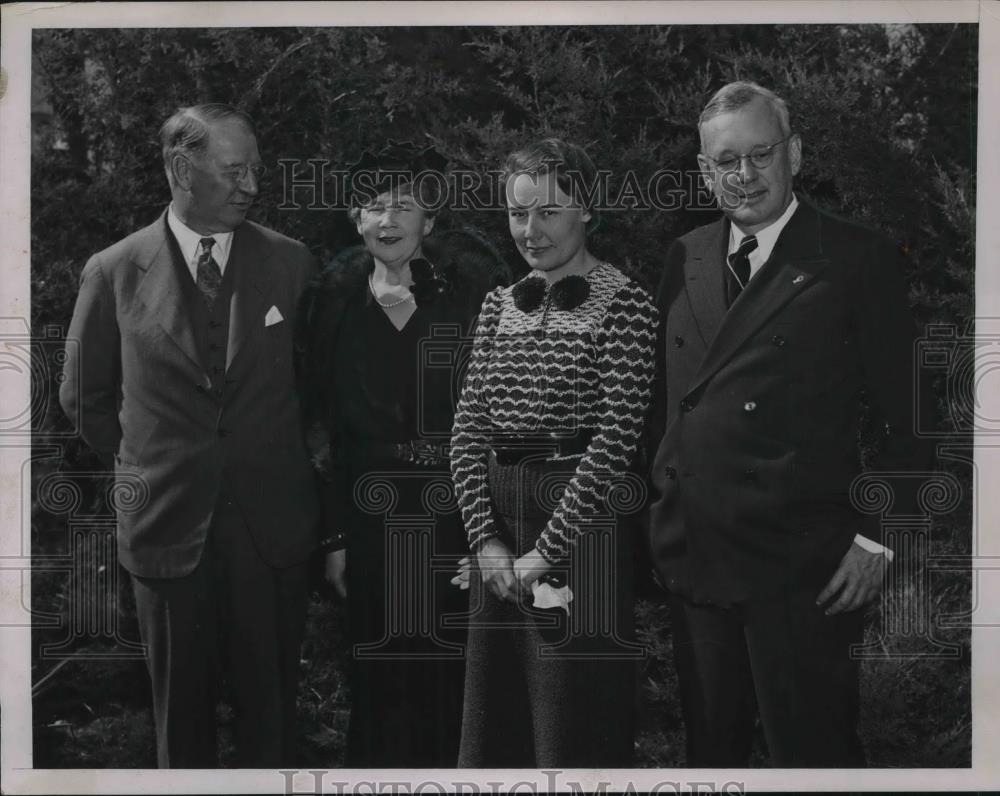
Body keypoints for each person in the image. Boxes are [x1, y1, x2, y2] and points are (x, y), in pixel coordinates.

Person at [646, 81, 934, 767]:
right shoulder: (683, 256)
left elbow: (916, 419)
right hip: (699, 560)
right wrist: (657, 517)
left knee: (813, 760)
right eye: (726, 161)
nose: (744, 176)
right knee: (711, 761)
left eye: (760, 154)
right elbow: (666, 408)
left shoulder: (856, 257)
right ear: (703, 172)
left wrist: (877, 540)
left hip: (806, 571)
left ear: (795, 153)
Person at [58, 104, 320, 767]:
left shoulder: (291, 264)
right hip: (167, 535)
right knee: (182, 728)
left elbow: (318, 393)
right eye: (235, 170)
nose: (251, 185)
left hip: (272, 535)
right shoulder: (114, 271)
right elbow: (83, 398)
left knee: (274, 722)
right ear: (181, 167)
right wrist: (152, 465)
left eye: (256, 169)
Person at [295, 142, 508, 767]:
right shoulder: (332, 307)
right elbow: (320, 429)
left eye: (404, 206)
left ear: (430, 221)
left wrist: (485, 533)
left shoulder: (468, 304)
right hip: (368, 520)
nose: (388, 221)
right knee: (378, 678)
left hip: (452, 514)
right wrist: (333, 537)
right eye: (373, 207)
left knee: (451, 679)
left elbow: (494, 423)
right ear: (355, 220)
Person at [450, 138, 658, 767]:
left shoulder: (627, 305)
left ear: (585, 211)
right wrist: (486, 541)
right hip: (500, 533)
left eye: (548, 212)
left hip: (579, 528)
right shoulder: (496, 306)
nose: (530, 231)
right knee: (495, 726)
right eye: (518, 215)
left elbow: (616, 440)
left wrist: (546, 552)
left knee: (570, 727)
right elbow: (466, 433)